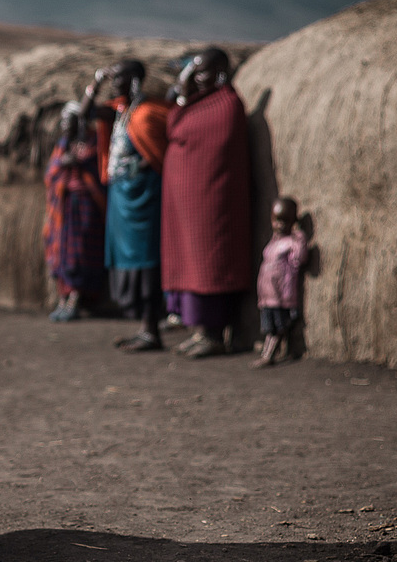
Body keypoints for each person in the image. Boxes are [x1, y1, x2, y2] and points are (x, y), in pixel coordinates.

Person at [162, 48, 254, 358]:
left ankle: (213, 334)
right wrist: (184, 86)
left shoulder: (226, 105)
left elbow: (214, 149)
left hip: (211, 202)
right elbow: (173, 127)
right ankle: (198, 330)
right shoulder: (196, 104)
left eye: (201, 72)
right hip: (188, 204)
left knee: (209, 262)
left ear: (220, 72)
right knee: (187, 260)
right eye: (193, 71)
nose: (196, 78)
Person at [82, 59, 171, 351]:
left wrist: (138, 168)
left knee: (147, 261)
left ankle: (151, 330)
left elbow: (162, 152)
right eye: (112, 78)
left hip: (145, 197)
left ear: (134, 79)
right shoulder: (118, 110)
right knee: (128, 262)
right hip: (121, 198)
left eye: (119, 77)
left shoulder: (149, 112)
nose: (113, 82)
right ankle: (144, 328)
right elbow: (85, 113)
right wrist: (94, 82)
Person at [43, 100, 106, 321]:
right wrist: (63, 162)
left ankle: (76, 299)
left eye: (69, 121)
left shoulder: (93, 142)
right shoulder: (62, 145)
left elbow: (100, 171)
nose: (64, 125)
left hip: (86, 205)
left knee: (81, 253)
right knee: (62, 253)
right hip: (64, 207)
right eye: (63, 122)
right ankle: (64, 298)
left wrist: (78, 163)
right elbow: (50, 175)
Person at [254, 196, 308, 367]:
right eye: (277, 220)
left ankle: (269, 355)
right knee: (270, 327)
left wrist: (300, 237)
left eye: (286, 220)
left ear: (294, 221)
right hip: (267, 296)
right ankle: (269, 351)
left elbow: (299, 259)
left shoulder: (292, 243)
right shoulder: (273, 243)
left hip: (281, 297)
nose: (280, 225)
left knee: (278, 328)